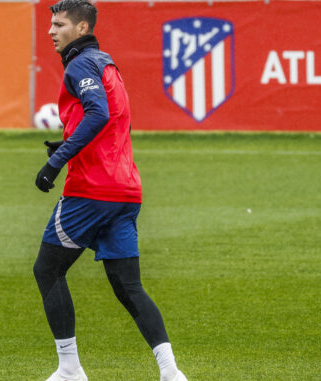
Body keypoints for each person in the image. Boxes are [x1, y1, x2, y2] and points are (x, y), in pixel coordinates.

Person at [33, 1, 187, 380]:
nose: (51, 31)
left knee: (47, 270)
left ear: (82, 28)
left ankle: (69, 368)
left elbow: (98, 113)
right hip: (125, 189)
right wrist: (69, 141)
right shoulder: (106, 63)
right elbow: (113, 121)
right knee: (127, 285)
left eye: (59, 24)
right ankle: (171, 372)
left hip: (91, 191)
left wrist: (56, 162)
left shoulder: (80, 64)